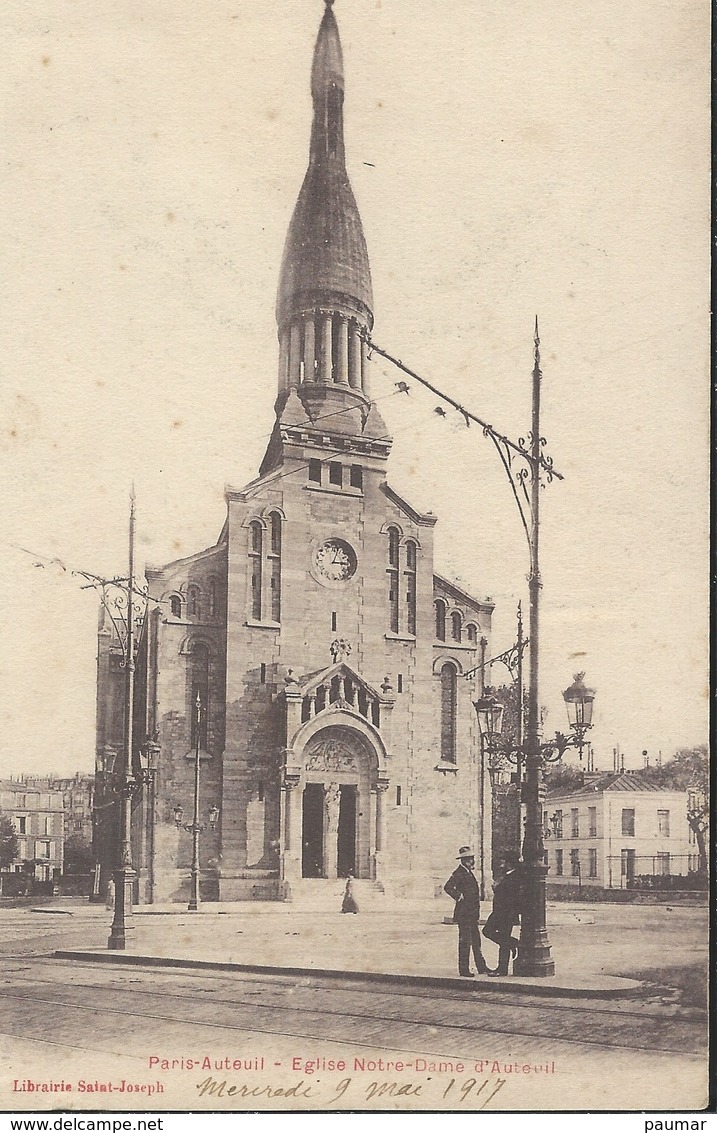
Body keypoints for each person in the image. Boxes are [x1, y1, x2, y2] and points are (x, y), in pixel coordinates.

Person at [444, 845, 492, 977]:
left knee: (476, 941)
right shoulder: (459, 873)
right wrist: (458, 895)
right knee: (465, 942)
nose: (473, 861)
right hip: (464, 914)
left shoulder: (468, 872)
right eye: (470, 859)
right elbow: (448, 887)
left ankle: (481, 967)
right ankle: (464, 969)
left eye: (472, 858)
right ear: (464, 860)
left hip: (471, 914)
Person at [482, 855, 524, 976]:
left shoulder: (514, 877)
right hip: (499, 913)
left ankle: (502, 969)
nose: (501, 865)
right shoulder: (509, 876)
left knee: (499, 937)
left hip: (505, 913)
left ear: (509, 864)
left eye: (503, 863)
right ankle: (513, 944)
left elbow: (513, 898)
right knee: (488, 932)